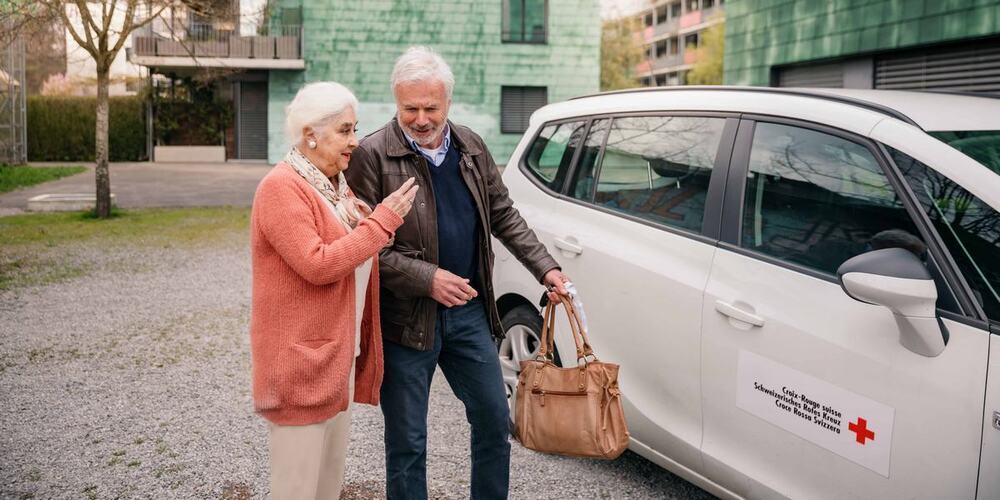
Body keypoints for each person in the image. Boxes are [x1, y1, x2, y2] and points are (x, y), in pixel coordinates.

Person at [344, 46, 570, 499]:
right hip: (405, 321)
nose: (422, 118)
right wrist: (426, 277)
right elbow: (362, 247)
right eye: (411, 108)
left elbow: (503, 213)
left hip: (468, 313)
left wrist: (546, 268)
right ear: (396, 102)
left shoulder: (470, 145)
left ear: (448, 101)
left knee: (492, 422)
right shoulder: (370, 154)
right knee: (407, 442)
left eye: (432, 107)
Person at [249, 81, 419, 500]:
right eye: (344, 131)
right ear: (311, 134)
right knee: (296, 491)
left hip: (333, 363)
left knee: (326, 489)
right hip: (300, 369)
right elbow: (319, 264)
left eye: (354, 130)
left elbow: (352, 253)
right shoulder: (281, 188)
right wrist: (380, 223)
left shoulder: (332, 186)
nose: (355, 143)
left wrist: (367, 224)